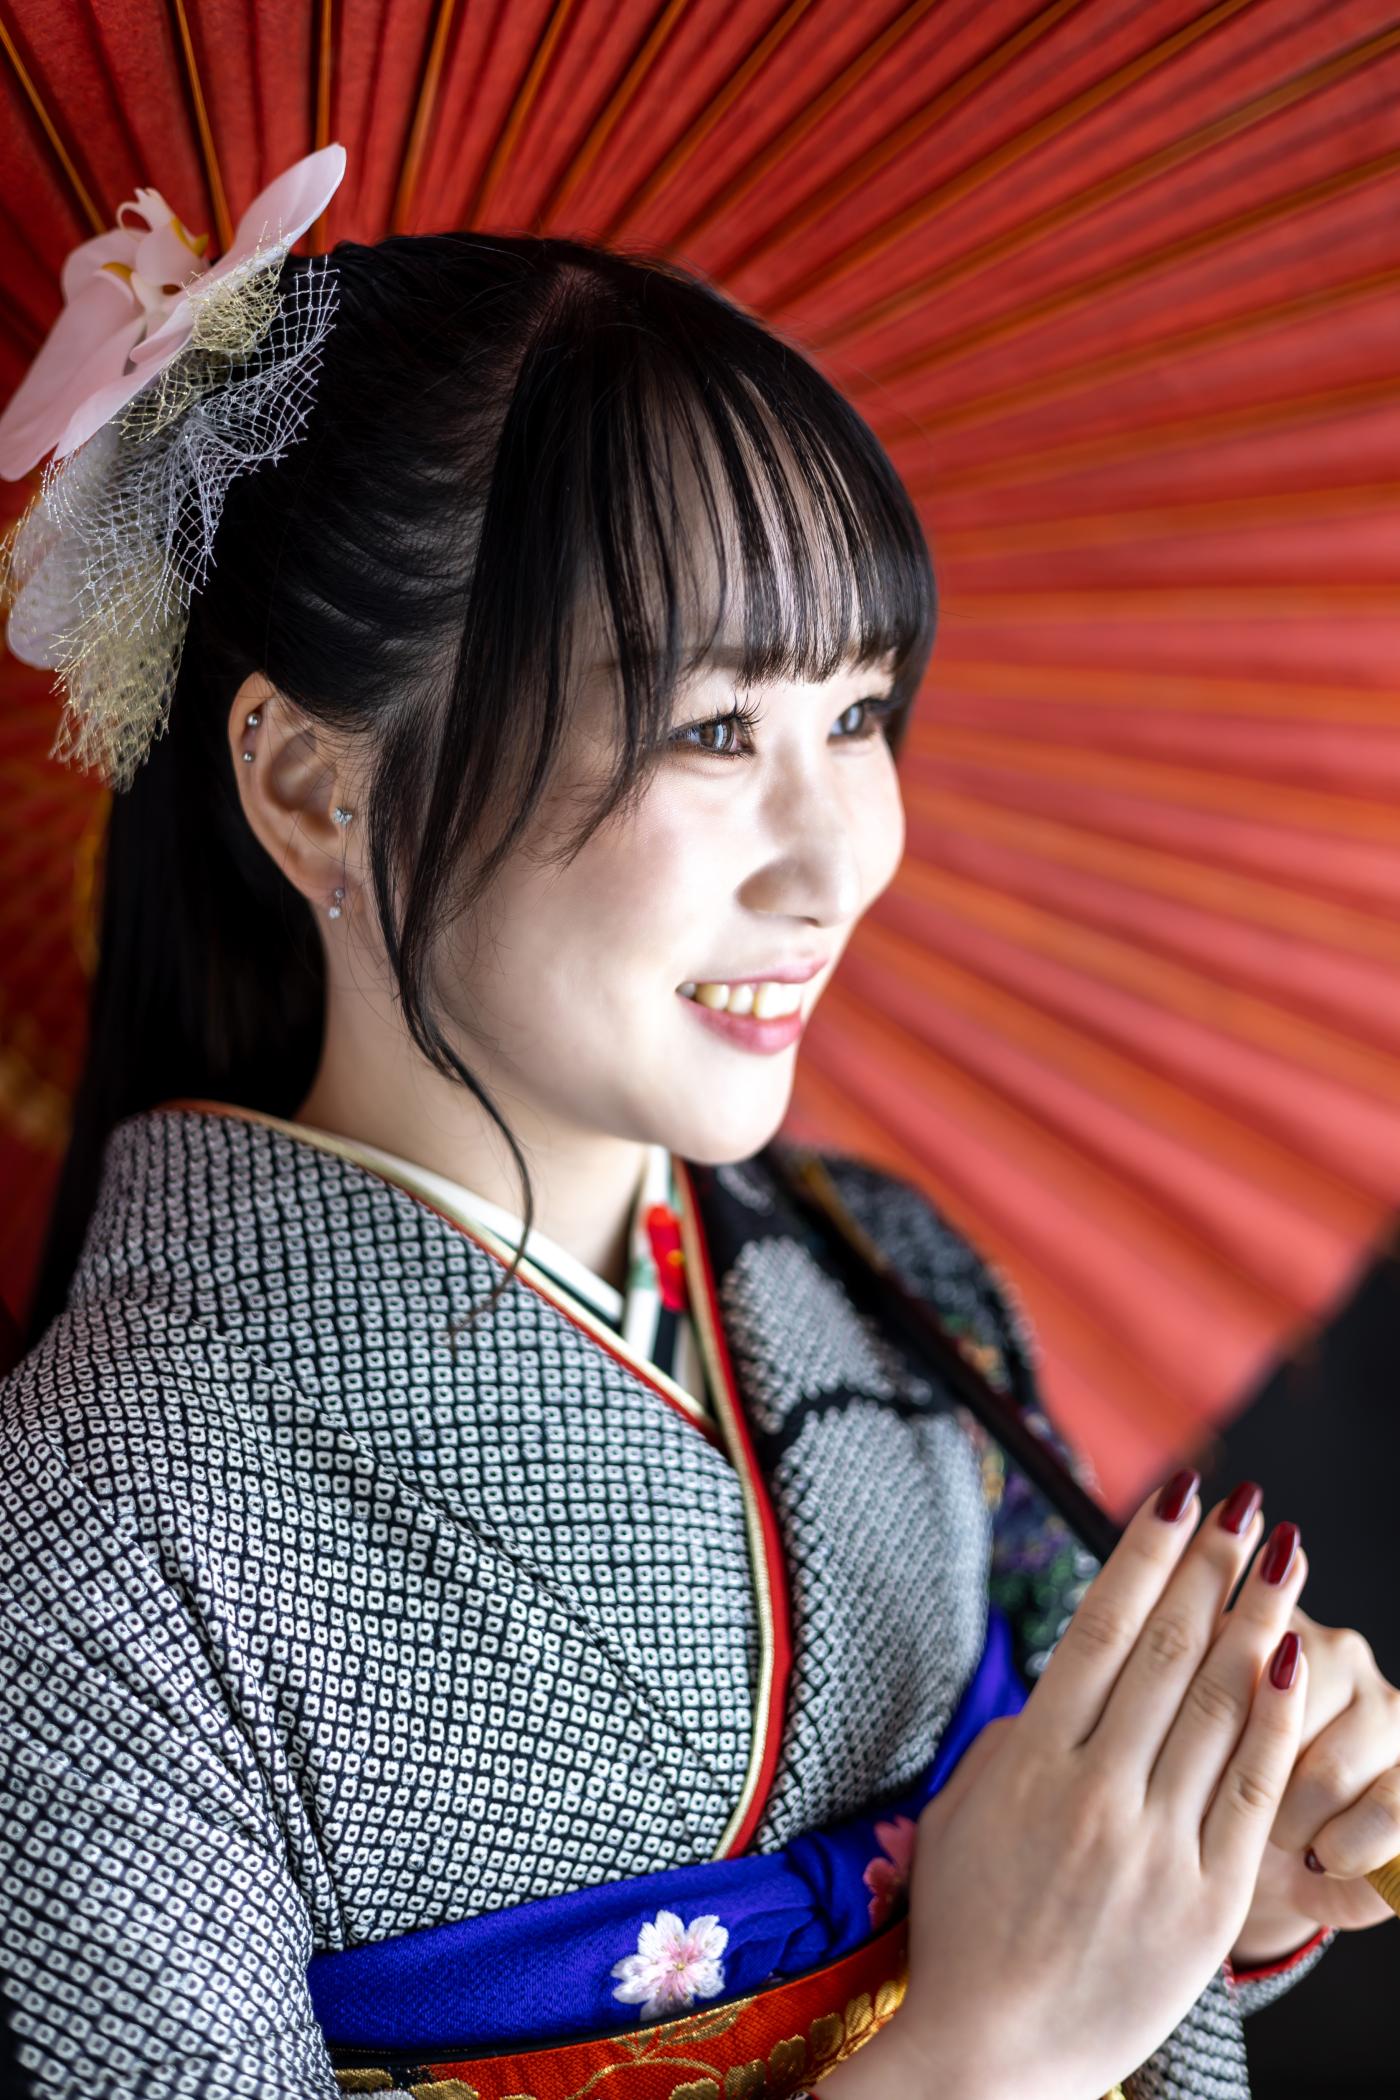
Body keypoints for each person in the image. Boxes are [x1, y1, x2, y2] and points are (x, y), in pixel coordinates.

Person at [0, 150, 1392, 2100]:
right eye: (714, 730)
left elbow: (1095, 1928)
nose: (840, 859)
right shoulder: (94, 1530)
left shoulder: (887, 1276)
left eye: (861, 712)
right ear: (313, 788)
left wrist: (1215, 1855)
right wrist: (980, 2051)